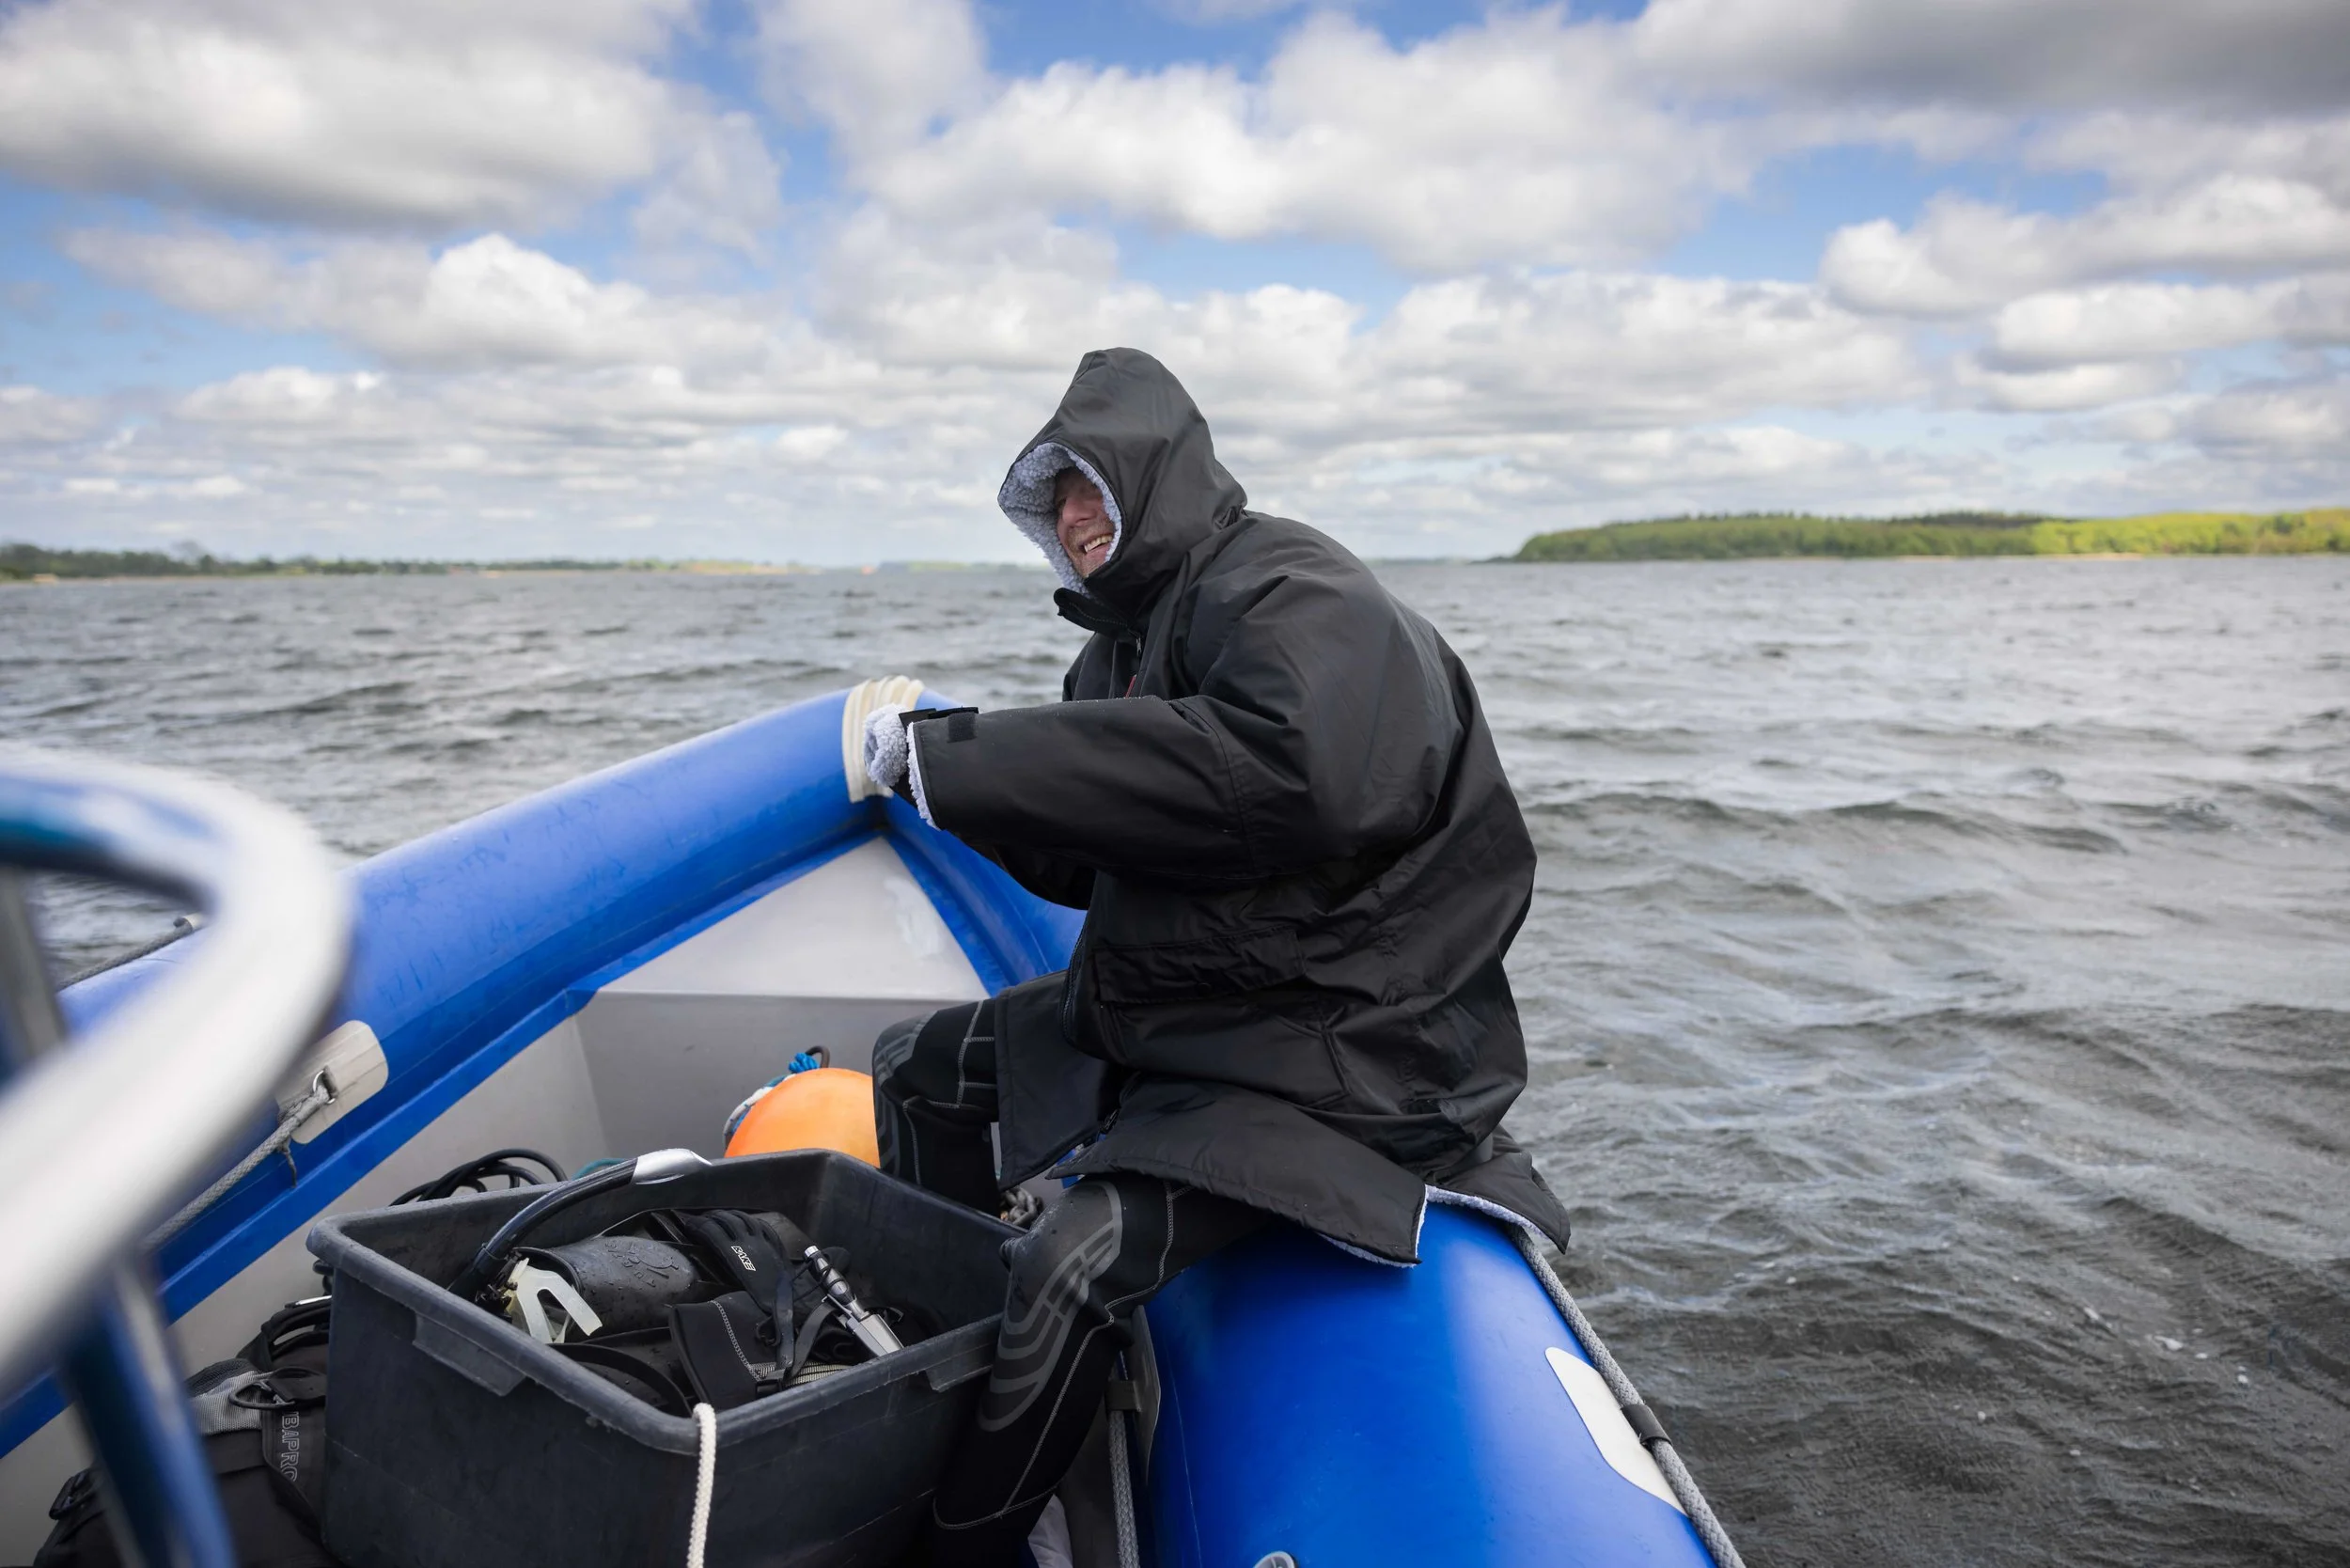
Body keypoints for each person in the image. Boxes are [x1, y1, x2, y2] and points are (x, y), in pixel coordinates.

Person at [859, 348, 1570, 1566]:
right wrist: (947, 790)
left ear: (1158, 476)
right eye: (1056, 498)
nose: (1076, 517)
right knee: (917, 1064)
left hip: (1346, 1045)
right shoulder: (1121, 645)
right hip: (1205, 1003)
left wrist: (970, 754)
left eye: (1093, 485)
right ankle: (928, 1366)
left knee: (1080, 1260)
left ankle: (953, 1548)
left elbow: (1293, 771)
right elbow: (1090, 858)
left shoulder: (1294, 590)